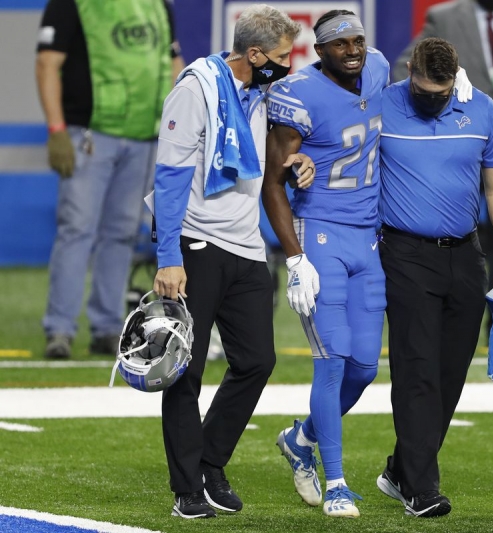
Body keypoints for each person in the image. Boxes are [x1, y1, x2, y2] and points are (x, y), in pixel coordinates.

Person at [150, 5, 310, 519]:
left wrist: (297, 161)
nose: (288, 65)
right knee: (186, 371)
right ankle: (187, 488)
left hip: (246, 246)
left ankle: (209, 462)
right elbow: (170, 175)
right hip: (197, 245)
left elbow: (270, 153)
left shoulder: (261, 92)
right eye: (281, 56)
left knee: (257, 361)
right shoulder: (196, 89)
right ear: (255, 54)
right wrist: (168, 256)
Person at [376, 37, 493, 518]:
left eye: (441, 94)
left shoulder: (481, 110)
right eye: (423, 91)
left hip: (466, 255)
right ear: (409, 72)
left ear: (455, 79)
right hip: (404, 253)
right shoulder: (381, 107)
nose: (432, 101)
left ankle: (401, 470)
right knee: (416, 369)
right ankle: (421, 489)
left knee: (450, 373)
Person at [262, 10, 389, 519]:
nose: (352, 50)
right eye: (340, 44)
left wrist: (455, 81)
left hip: (368, 237)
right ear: (320, 51)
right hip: (319, 233)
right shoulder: (298, 94)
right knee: (332, 361)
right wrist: (295, 258)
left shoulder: (379, 67)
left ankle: (301, 439)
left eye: (357, 40)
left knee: (365, 367)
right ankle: (335, 482)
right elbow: (274, 182)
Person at [35, 0, 184, 359]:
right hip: (90, 134)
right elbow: (47, 63)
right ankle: (60, 329)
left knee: (121, 234)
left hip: (144, 137)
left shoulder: (157, 5)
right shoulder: (71, 3)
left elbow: (173, 64)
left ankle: (107, 327)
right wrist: (56, 129)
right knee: (77, 229)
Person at [393, 0, 493, 321]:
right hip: (453, 145)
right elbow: (406, 67)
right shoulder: (443, 17)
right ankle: (440, 307)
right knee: (453, 235)